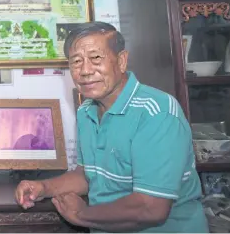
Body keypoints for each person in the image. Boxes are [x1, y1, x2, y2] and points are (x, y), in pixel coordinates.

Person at [15, 22, 208, 233]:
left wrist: (82, 214)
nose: (85, 71)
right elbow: (88, 175)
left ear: (122, 60)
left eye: (96, 58)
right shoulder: (86, 111)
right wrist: (44, 188)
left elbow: (151, 208)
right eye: (76, 61)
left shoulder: (156, 113)